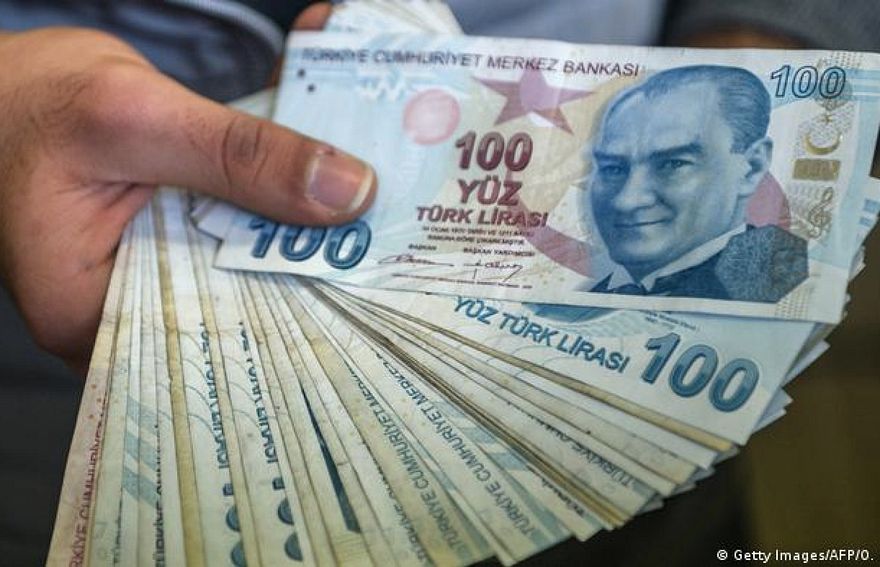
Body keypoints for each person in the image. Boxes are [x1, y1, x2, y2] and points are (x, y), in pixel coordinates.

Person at [587, 65, 807, 301]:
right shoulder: (580, 300)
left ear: (752, 167)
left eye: (673, 164)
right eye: (613, 168)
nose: (626, 200)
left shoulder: (792, 286)